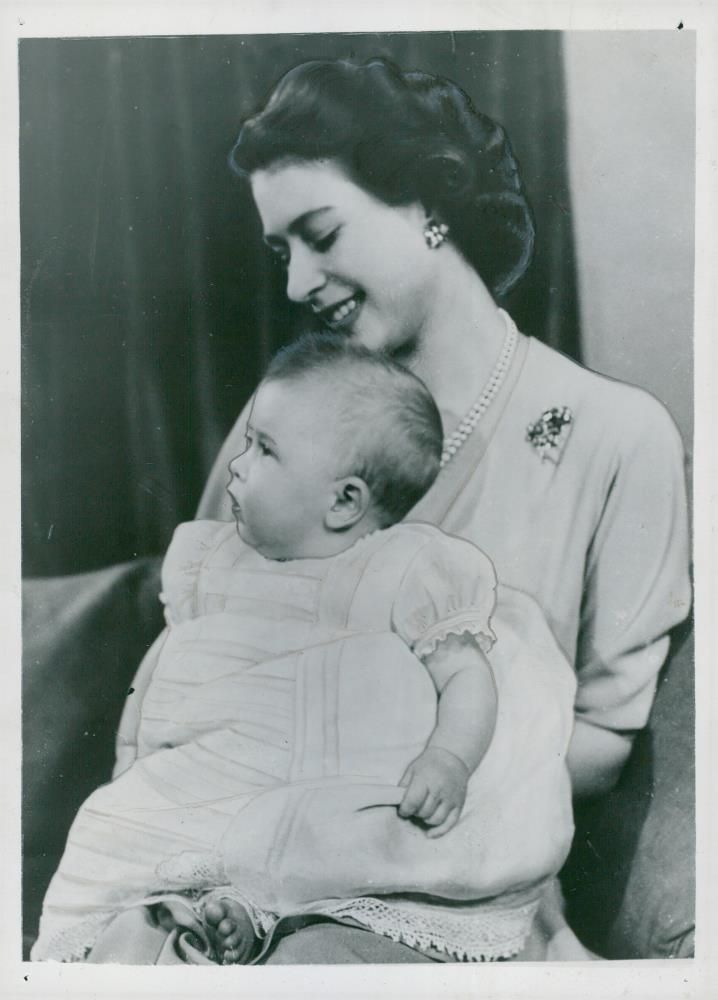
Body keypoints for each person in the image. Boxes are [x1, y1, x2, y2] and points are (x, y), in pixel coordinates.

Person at [191, 57, 692, 963]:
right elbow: (197, 645)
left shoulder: (618, 438)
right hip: (250, 876)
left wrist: (380, 783)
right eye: (282, 252)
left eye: (321, 233)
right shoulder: (281, 420)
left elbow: (606, 742)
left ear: (431, 207)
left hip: (462, 904)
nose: (299, 282)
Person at [31, 335, 576, 965]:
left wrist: (449, 758)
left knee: (318, 852)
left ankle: (253, 915)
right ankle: (206, 911)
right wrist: (132, 759)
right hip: (219, 777)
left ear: (344, 501)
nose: (236, 465)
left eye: (265, 450)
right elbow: (166, 666)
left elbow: (465, 675)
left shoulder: (402, 569)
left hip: (324, 793)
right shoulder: (217, 563)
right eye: (247, 442)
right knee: (149, 852)